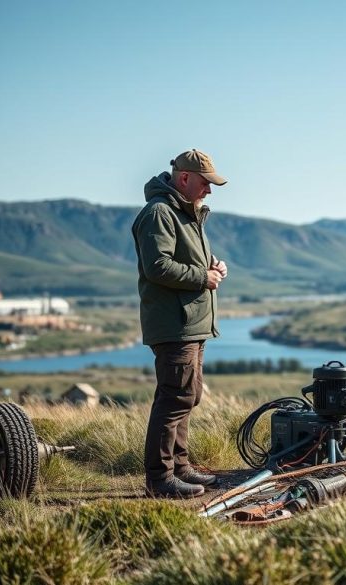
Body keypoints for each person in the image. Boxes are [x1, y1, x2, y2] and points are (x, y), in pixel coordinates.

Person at [133, 149, 229, 498]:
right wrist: (202, 277)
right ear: (185, 178)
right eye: (205, 183)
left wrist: (213, 266)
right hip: (175, 324)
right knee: (175, 398)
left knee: (187, 397)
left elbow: (183, 261)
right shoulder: (160, 213)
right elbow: (157, 266)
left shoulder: (187, 214)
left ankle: (180, 467)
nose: (209, 191)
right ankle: (160, 479)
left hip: (190, 323)